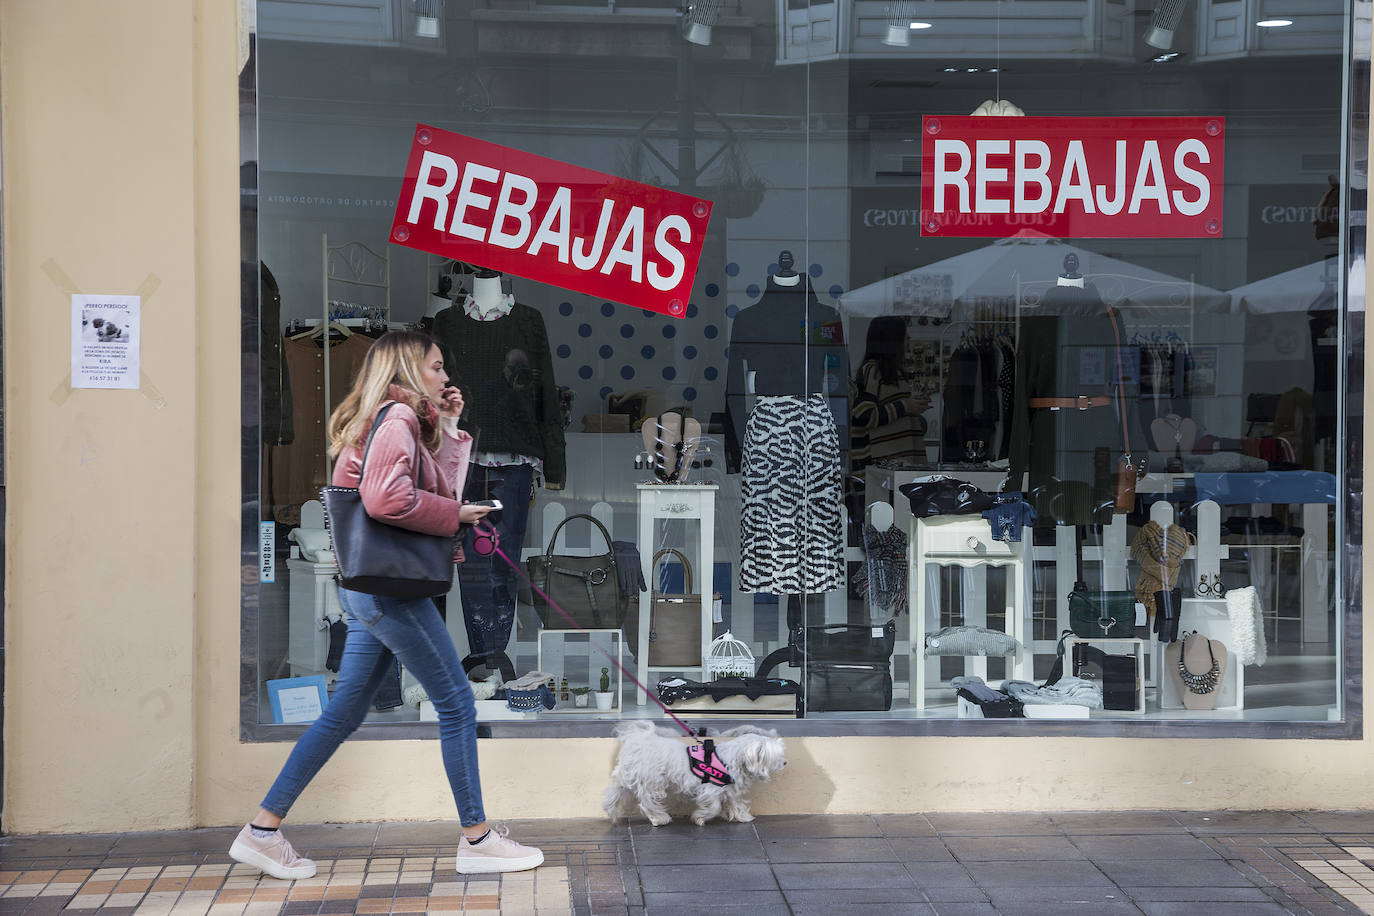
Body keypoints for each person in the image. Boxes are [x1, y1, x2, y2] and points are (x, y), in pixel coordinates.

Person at [228, 331, 544, 879]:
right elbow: (387, 499)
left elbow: (432, 486)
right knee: (457, 704)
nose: (447, 377)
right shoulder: (396, 422)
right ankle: (477, 838)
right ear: (408, 369)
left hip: (371, 587)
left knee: (343, 712)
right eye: (438, 368)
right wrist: (457, 518)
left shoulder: (392, 420)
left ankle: (262, 831)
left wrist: (445, 430)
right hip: (390, 591)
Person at [849, 316, 929, 472]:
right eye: (904, 334)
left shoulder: (895, 372)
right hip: (885, 465)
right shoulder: (873, 371)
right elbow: (863, 415)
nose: (909, 338)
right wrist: (906, 407)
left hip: (901, 463)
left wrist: (916, 403)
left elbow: (896, 406)